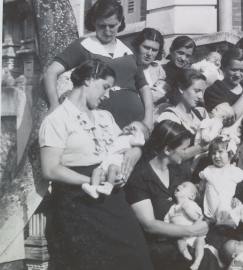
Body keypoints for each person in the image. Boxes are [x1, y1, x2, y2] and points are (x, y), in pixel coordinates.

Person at [39, 59, 153, 269]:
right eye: (105, 87)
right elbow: (50, 168)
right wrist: (92, 181)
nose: (107, 95)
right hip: (79, 200)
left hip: (114, 198)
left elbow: (124, 143)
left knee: (137, 257)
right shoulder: (57, 119)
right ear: (88, 79)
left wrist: (136, 151)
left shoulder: (105, 116)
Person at [43, 0, 154, 130]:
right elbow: (50, 72)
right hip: (97, 123)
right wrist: (54, 104)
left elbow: (144, 87)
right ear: (94, 22)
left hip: (134, 122)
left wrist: (148, 118)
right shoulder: (83, 46)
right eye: (102, 25)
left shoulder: (129, 51)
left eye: (112, 26)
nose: (107, 31)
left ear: (119, 23)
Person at [124, 120, 220, 270]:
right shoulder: (139, 177)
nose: (186, 152)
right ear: (167, 150)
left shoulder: (179, 170)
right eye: (183, 148)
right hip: (161, 247)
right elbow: (149, 225)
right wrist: (192, 230)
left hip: (187, 240)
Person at [82, 121, 149, 198]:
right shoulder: (119, 136)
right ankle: (94, 189)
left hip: (118, 168)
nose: (130, 128)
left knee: (112, 168)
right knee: (96, 171)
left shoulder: (131, 138)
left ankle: (108, 187)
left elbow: (140, 142)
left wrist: (137, 132)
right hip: (106, 165)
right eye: (129, 125)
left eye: (134, 128)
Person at [156, 68, 210, 161]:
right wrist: (203, 146)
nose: (200, 96)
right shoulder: (169, 117)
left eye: (202, 91)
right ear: (181, 88)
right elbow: (171, 154)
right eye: (197, 91)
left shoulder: (199, 113)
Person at [203, 48, 243, 119]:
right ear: (223, 68)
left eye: (242, 70)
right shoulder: (213, 91)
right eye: (233, 70)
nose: (238, 75)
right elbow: (229, 117)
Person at [198, 136, 243, 227]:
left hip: (229, 214)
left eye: (220, 152)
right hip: (210, 215)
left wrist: (237, 197)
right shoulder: (208, 170)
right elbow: (200, 188)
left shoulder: (236, 172)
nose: (216, 156)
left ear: (230, 153)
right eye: (213, 153)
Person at [164, 181, 206, 270]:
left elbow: (197, 217)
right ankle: (184, 252)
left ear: (191, 196)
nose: (179, 185)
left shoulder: (192, 204)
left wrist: (187, 210)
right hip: (181, 235)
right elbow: (166, 220)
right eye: (179, 185)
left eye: (184, 186)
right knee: (180, 242)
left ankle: (197, 262)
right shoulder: (172, 207)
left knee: (200, 242)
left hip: (194, 234)